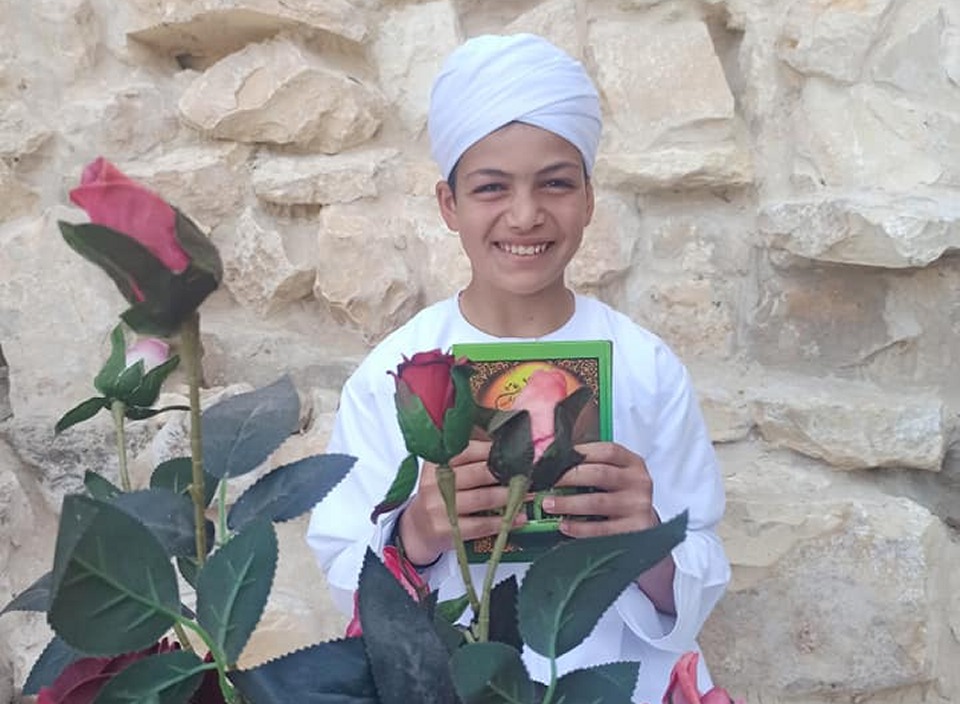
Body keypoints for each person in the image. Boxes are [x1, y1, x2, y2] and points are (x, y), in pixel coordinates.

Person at [306, 33, 731, 704]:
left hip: (621, 684)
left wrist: (649, 541)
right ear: (449, 205)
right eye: (491, 187)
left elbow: (700, 566)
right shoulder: (396, 374)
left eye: (555, 183)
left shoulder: (646, 367)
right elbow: (342, 565)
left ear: (588, 198)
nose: (526, 215)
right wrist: (416, 532)